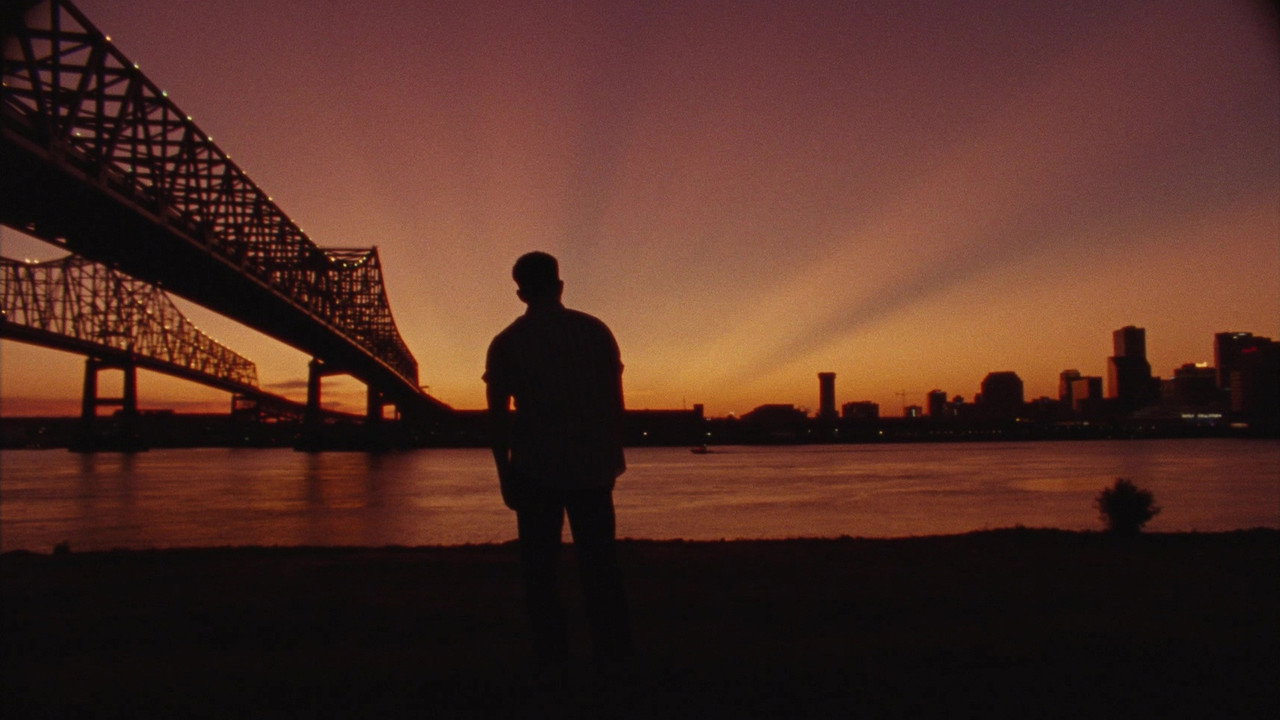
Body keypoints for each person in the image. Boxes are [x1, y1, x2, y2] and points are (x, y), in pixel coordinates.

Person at [484, 251, 633, 664]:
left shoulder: (507, 342)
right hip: (591, 466)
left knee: (540, 573)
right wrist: (612, 458)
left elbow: (497, 420)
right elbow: (613, 405)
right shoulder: (595, 331)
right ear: (560, 286)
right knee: (601, 567)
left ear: (520, 293)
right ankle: (615, 659)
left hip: (534, 469)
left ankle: (552, 661)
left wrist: (504, 474)